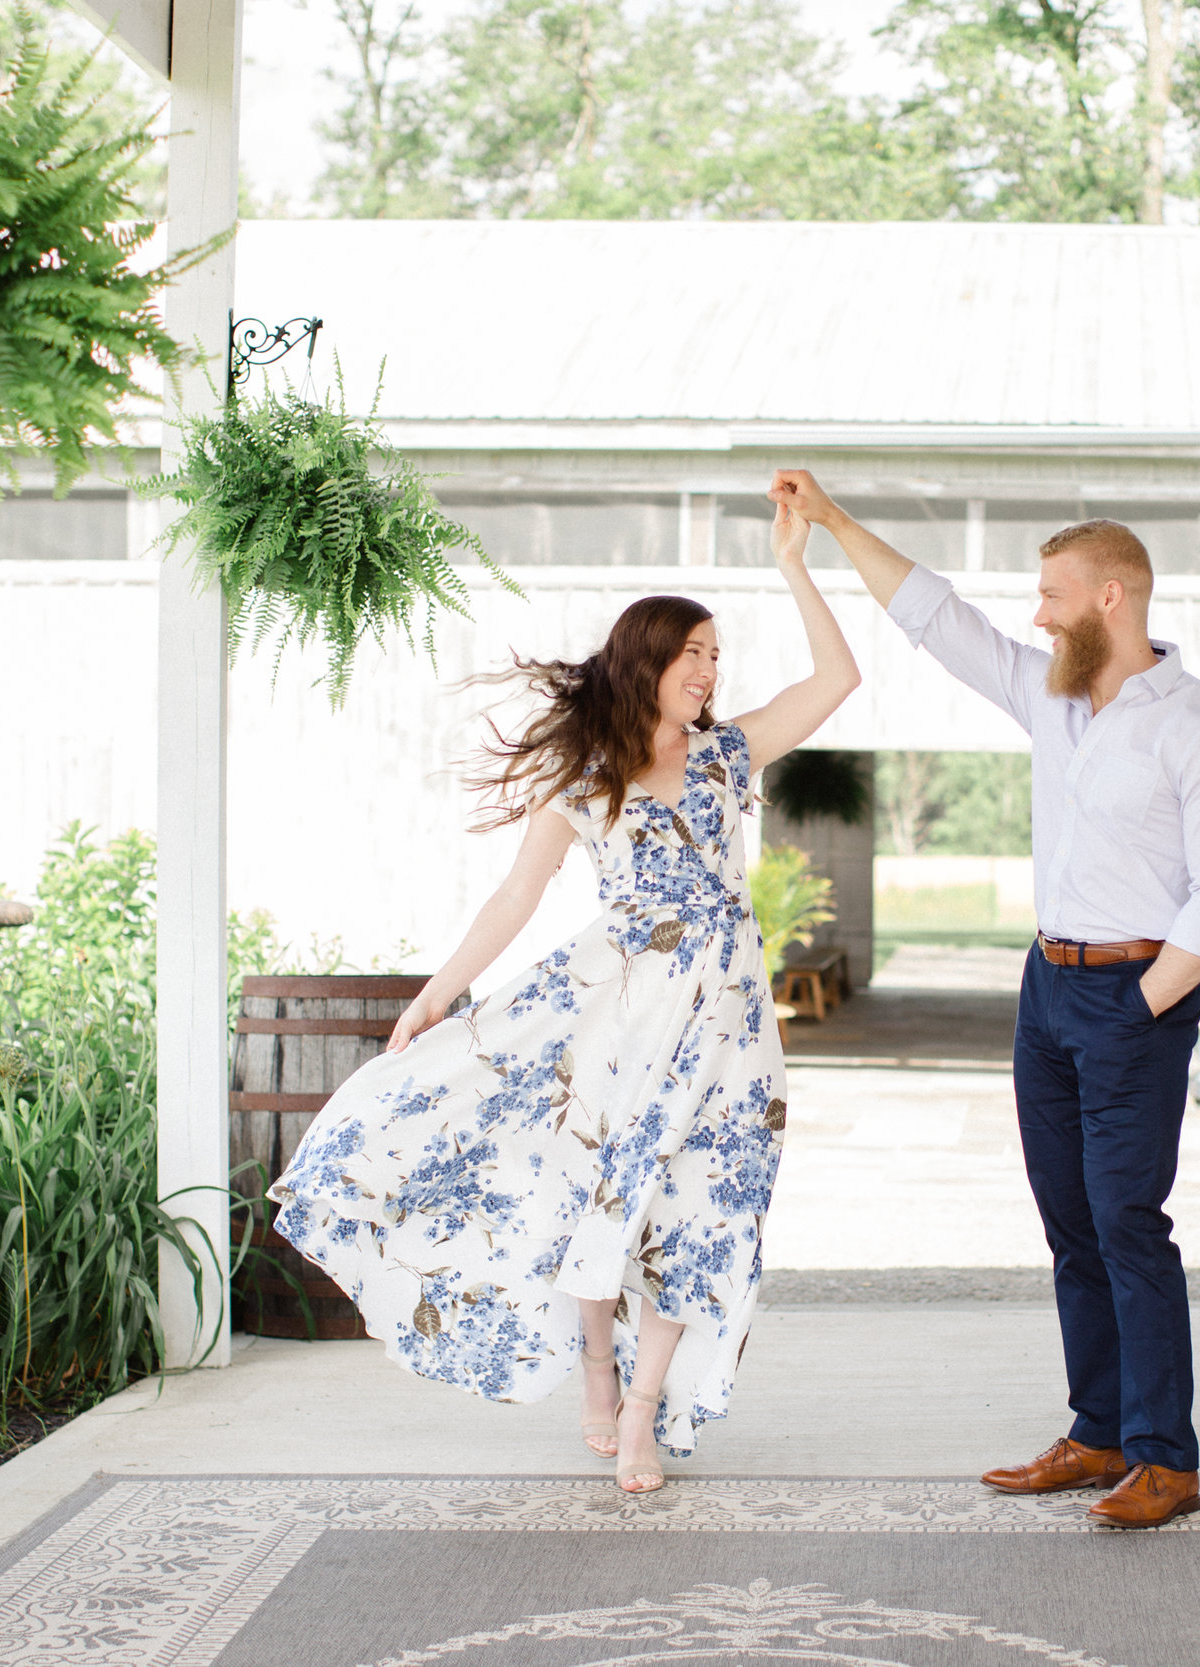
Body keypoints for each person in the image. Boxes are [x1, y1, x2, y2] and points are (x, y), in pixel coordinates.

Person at [269, 498, 861, 1495]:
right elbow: (515, 896)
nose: (711, 672)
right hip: (619, 1022)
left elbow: (840, 677)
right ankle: (597, 1364)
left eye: (717, 655)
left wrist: (797, 564)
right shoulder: (586, 784)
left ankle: (642, 1410)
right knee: (607, 1204)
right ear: (647, 662)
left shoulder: (726, 756)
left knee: (704, 1212)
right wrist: (435, 995)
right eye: (693, 655)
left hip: (729, 1034)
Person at [768, 470, 1200, 1530]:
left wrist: (1146, 1003)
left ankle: (1164, 1458)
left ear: (1111, 598)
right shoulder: (1052, 693)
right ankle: (1097, 1431)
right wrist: (835, 521)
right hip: (1045, 988)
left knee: (1130, 1221)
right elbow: (934, 616)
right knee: (1071, 1222)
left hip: (1136, 991)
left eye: (1051, 594)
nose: (1034, 614)